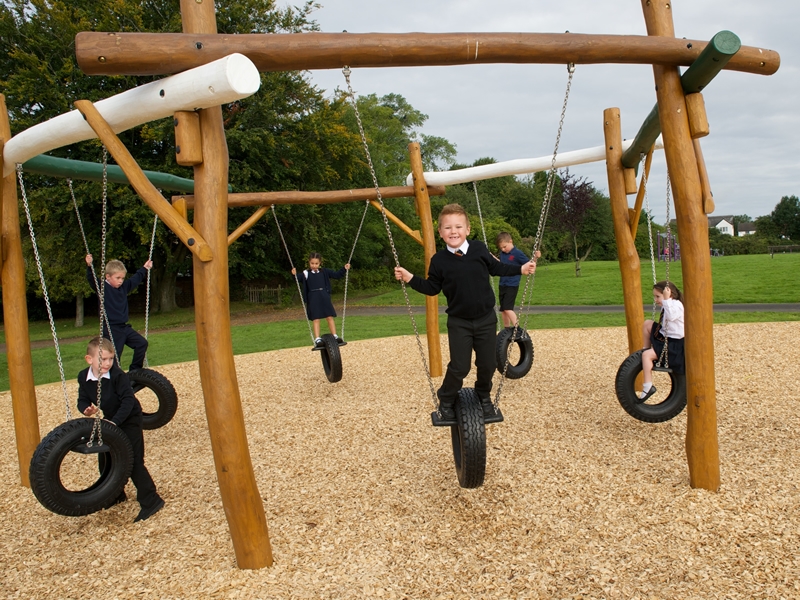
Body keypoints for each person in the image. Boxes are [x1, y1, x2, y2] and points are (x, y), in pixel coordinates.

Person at [394, 204, 537, 421]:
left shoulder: (479, 249)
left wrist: (521, 268)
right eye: (448, 227)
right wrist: (410, 278)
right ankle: (447, 399)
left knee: (487, 364)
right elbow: (432, 288)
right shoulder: (439, 261)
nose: (454, 231)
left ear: (467, 229)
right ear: (441, 233)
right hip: (459, 321)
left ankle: (483, 397)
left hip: (485, 319)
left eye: (458, 226)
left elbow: (497, 268)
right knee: (460, 367)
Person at [78, 336, 165, 522]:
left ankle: (151, 500)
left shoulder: (118, 376)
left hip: (129, 418)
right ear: (89, 359)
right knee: (106, 459)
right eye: (103, 360)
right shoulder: (84, 377)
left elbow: (128, 401)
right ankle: (115, 495)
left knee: (132, 460)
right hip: (111, 419)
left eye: (111, 359)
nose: (108, 363)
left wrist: (114, 422)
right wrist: (86, 408)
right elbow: (83, 399)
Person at [85, 254, 152, 371]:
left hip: (124, 327)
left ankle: (135, 371)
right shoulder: (103, 288)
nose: (121, 281)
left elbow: (135, 279)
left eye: (122, 278)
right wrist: (89, 265)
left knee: (142, 343)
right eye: (118, 278)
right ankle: (114, 379)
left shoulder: (123, 288)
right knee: (114, 357)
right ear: (108, 277)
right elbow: (92, 279)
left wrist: (145, 268)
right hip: (111, 329)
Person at [292, 252, 350, 347]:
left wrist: (344, 268)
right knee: (316, 318)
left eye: (316, 264)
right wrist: (294, 274)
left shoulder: (325, 272)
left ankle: (335, 336)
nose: (314, 266)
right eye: (312, 263)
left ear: (320, 263)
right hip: (313, 297)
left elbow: (337, 275)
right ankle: (317, 339)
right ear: (309, 263)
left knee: (329, 316)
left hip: (324, 295)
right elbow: (297, 279)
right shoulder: (306, 273)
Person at [640, 281, 685, 400]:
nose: (656, 300)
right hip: (665, 336)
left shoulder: (676, 305)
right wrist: (665, 301)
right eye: (655, 296)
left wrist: (666, 300)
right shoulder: (668, 304)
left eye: (657, 296)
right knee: (647, 324)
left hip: (674, 344)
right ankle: (645, 348)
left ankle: (648, 386)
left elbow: (671, 317)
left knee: (646, 356)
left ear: (669, 294)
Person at [495, 231, 540, 328]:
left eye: (504, 246)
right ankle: (506, 329)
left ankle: (517, 328)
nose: (503, 249)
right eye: (501, 248)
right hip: (502, 283)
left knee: (508, 308)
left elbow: (530, 264)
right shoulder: (503, 254)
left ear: (511, 241)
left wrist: (536, 257)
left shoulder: (517, 253)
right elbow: (502, 265)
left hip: (512, 284)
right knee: (503, 309)